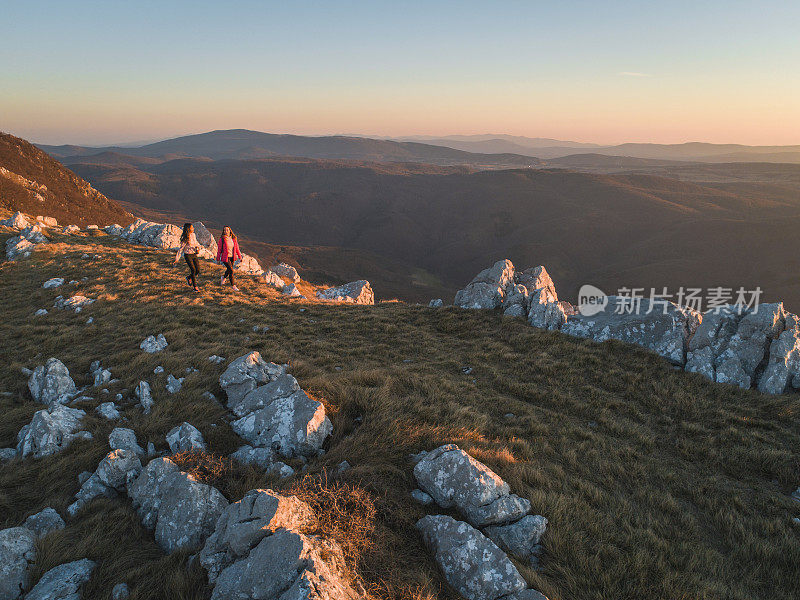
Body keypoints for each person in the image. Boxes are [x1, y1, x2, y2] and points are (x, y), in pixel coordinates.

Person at [174, 223, 201, 292]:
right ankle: (195, 287)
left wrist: (198, 248)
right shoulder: (185, 238)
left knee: (197, 270)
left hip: (194, 254)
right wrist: (177, 259)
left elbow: (196, 243)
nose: (193, 228)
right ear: (189, 229)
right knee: (193, 270)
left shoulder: (193, 235)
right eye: (192, 227)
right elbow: (181, 249)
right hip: (188, 255)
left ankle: (189, 277)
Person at [216, 225, 242, 291]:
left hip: (232, 257)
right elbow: (219, 250)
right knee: (231, 271)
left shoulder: (233, 239)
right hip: (225, 258)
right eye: (224, 230)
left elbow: (237, 249)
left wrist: (240, 257)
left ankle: (223, 277)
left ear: (230, 231)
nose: (226, 231)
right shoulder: (222, 239)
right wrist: (218, 259)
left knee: (229, 270)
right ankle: (233, 285)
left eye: (227, 230)